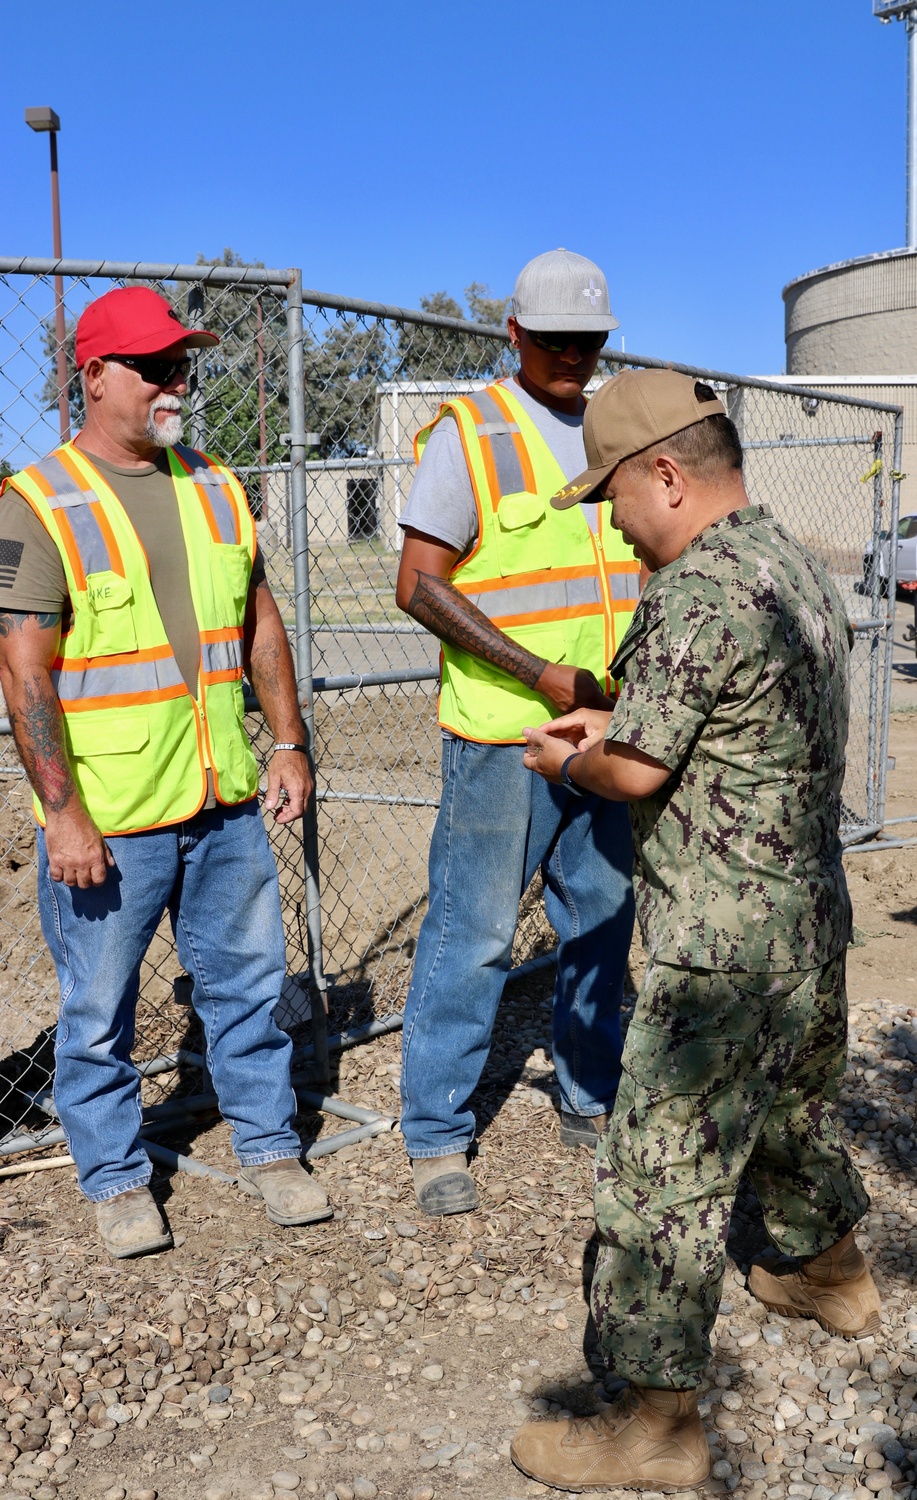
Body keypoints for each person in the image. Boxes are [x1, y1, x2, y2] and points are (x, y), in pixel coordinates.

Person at [512, 369, 879, 1492]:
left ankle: (656, 1426)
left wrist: (571, 756)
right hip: (804, 919)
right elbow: (729, 715)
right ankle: (835, 1277)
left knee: (658, 1175)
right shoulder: (796, 572)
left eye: (613, 498)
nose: (614, 526)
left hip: (718, 945)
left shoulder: (691, 591)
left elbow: (636, 767)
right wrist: (620, 718)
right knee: (793, 1108)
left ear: (665, 475)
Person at [0, 286, 331, 1258]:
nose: (176, 381)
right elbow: (23, 669)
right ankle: (113, 1176)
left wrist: (288, 740)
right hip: (108, 814)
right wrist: (62, 812)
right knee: (97, 1009)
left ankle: (272, 1148)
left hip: (221, 796)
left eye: (182, 364)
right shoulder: (39, 502)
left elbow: (258, 621)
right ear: (94, 375)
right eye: (154, 366)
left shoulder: (219, 485)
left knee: (246, 985)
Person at [395, 249, 641, 1216]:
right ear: (514, 336)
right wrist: (540, 676)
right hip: (503, 735)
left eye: (589, 341)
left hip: (606, 727)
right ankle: (437, 1131)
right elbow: (418, 583)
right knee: (476, 932)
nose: (574, 358)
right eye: (554, 342)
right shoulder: (475, 433)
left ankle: (589, 1092)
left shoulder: (616, 430)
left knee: (602, 915)